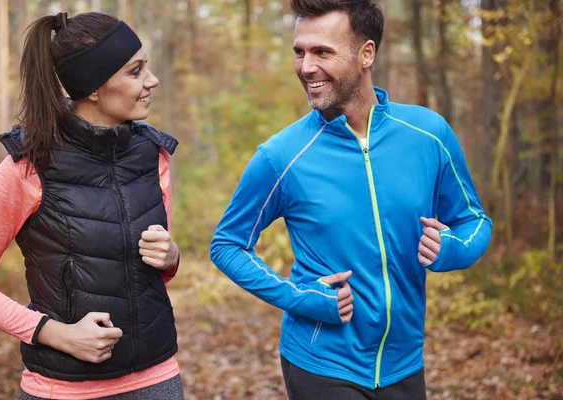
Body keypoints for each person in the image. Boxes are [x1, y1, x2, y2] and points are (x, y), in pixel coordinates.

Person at [210, 0, 492, 399]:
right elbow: (227, 245)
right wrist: (301, 296)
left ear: (366, 53)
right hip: (321, 365)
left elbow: (475, 222)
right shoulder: (282, 155)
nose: (306, 67)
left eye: (322, 52)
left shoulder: (428, 134)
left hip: (405, 363)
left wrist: (450, 248)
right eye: (300, 52)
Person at [0, 12, 184, 400]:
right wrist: (56, 333)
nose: (152, 80)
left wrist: (171, 258)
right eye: (136, 71)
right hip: (63, 389)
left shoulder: (154, 154)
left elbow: (150, 274)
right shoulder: (29, 167)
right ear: (95, 87)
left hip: (157, 380)